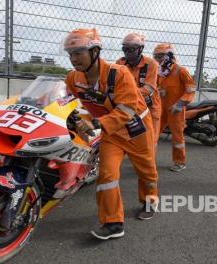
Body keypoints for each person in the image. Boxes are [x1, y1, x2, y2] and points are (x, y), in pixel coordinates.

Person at [63, 28, 159, 240]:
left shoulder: (119, 73)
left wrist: (97, 123)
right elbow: (62, 98)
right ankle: (113, 223)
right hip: (110, 133)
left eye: (78, 52)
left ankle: (150, 201)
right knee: (107, 175)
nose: (73, 58)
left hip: (136, 130)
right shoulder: (73, 78)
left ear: (95, 51)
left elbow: (127, 108)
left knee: (147, 172)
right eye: (70, 53)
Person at [153, 43, 196, 172]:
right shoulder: (160, 72)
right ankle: (147, 160)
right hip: (160, 108)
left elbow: (191, 89)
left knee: (177, 137)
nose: (158, 59)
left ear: (169, 56)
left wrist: (180, 104)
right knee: (152, 135)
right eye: (156, 56)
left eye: (161, 56)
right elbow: (156, 87)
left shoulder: (180, 70)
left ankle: (179, 162)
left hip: (176, 109)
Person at [116, 33, 162, 145]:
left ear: (140, 49)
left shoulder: (151, 64)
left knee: (150, 140)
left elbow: (149, 88)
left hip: (150, 107)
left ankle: (148, 160)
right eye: (124, 49)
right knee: (127, 136)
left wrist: (127, 94)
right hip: (130, 105)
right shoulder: (120, 63)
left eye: (131, 49)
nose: (127, 52)